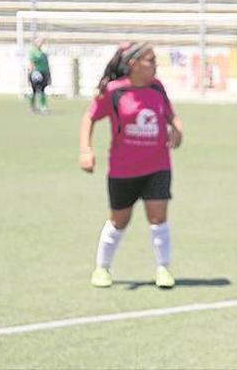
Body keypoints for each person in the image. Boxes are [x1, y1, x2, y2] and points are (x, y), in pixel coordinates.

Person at [79, 43, 183, 289]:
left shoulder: (157, 88)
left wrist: (178, 130)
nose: (155, 65)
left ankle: (163, 268)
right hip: (123, 169)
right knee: (119, 221)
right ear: (134, 64)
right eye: (150, 60)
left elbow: (171, 115)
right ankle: (102, 268)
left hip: (158, 166)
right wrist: (86, 150)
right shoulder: (114, 91)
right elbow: (89, 117)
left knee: (158, 217)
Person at [28, 36, 51, 114]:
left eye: (41, 42)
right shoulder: (33, 52)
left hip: (44, 73)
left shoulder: (43, 53)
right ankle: (32, 107)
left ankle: (43, 107)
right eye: (39, 42)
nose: (40, 43)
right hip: (36, 73)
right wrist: (32, 73)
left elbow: (47, 65)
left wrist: (49, 75)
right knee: (34, 90)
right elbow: (31, 63)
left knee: (42, 90)